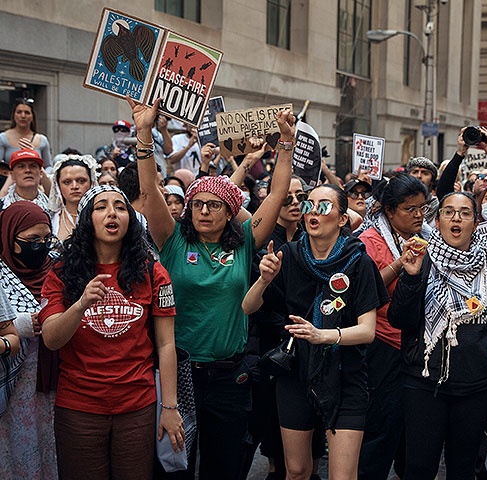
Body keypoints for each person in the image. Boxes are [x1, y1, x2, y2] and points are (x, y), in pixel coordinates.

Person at [130, 95, 295, 479]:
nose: (204, 210)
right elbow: (150, 191)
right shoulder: (172, 240)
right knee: (173, 471)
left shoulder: (244, 245)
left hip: (229, 378)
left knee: (223, 470)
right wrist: (143, 134)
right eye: (198, 204)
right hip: (178, 376)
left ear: (230, 211)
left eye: (214, 205)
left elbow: (274, 195)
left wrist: (285, 143)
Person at [243, 183, 389, 480]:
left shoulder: (359, 261)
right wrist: (264, 279)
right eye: (309, 206)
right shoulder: (289, 255)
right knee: (296, 471)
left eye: (323, 207)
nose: (313, 213)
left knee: (342, 476)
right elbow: (248, 307)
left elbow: (367, 331)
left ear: (342, 218)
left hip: (345, 375)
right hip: (297, 373)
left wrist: (324, 335)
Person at [39, 185, 183, 480]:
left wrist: (169, 407)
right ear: (86, 220)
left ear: (130, 219)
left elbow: (166, 344)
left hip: (137, 406)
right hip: (79, 407)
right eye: (101, 207)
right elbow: (51, 339)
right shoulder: (62, 272)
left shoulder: (153, 272)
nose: (112, 213)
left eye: (119, 206)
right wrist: (80, 304)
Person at [386, 191, 487, 479]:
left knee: (464, 469)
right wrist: (411, 277)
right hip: (425, 387)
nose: (456, 218)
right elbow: (399, 320)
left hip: (477, 388)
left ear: (475, 223)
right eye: (448, 212)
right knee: (418, 468)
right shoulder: (421, 260)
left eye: (464, 213)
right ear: (437, 221)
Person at [357, 174, 430, 480]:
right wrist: (402, 262)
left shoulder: (431, 237)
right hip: (383, 346)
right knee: (380, 429)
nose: (418, 215)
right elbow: (368, 291)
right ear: (389, 211)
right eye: (409, 209)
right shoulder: (369, 242)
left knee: (411, 434)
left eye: (422, 208)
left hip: (417, 347)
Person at [0, 201, 58, 479]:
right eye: (32, 240)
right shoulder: (1, 276)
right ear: (10, 238)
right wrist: (19, 327)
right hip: (15, 386)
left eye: (46, 238)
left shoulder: (58, 270)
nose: (41, 246)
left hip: (57, 383)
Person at [48, 154, 97, 242]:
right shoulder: (51, 219)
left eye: (81, 181)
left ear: (91, 183)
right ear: (58, 186)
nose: (74, 186)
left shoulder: (101, 216)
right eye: (67, 182)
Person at [0, 98, 52, 169]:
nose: (23, 116)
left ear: (32, 116)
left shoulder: (42, 140)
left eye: (27, 113)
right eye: (19, 112)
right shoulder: (3, 138)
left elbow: (49, 166)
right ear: (14, 115)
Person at [0, 149, 51, 213]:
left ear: (41, 173)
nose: (28, 170)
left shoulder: (53, 209)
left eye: (33, 166)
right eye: (21, 166)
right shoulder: (2, 207)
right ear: (12, 175)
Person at [406, 157, 439, 224]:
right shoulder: (400, 202)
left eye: (425, 173)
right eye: (415, 172)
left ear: (432, 180)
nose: (419, 176)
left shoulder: (437, 206)